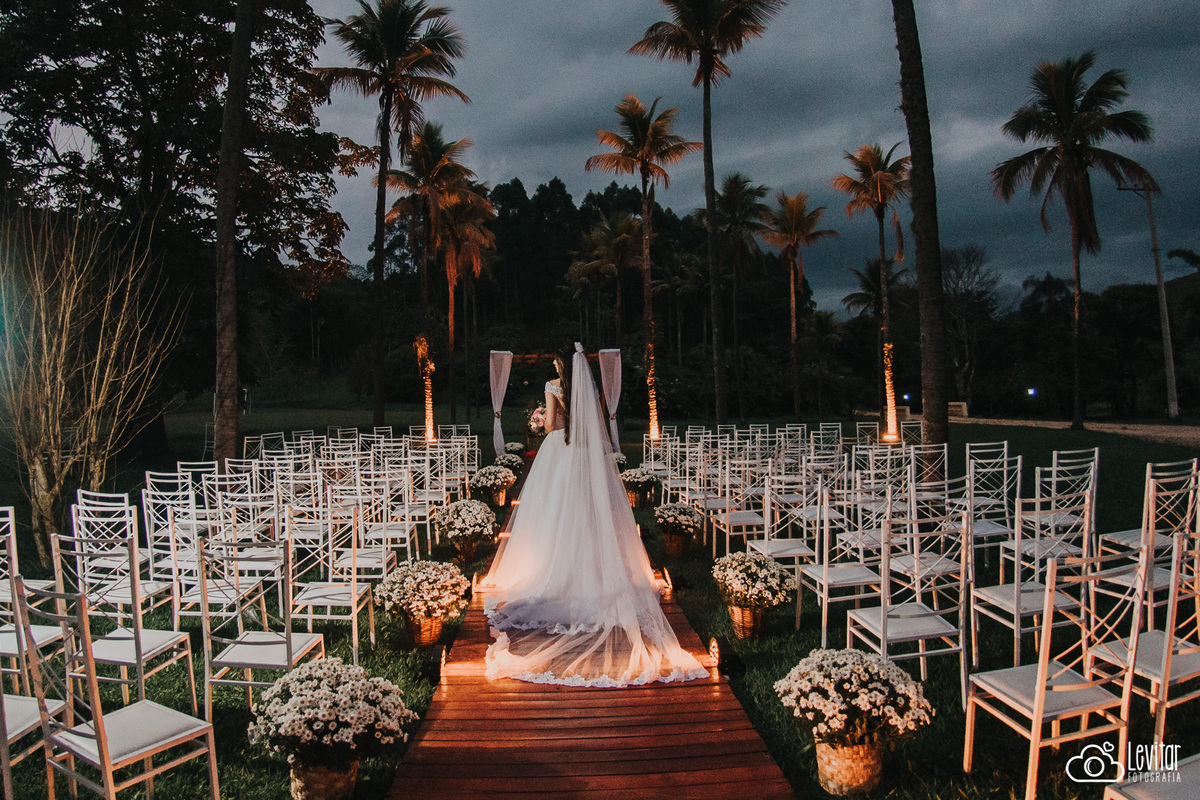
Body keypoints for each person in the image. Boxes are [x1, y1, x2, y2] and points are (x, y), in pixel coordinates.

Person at [482, 343, 708, 687]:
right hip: (586, 454)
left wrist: (541, 420)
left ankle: (558, 570)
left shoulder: (552, 386)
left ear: (559, 363)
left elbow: (551, 428)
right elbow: (591, 424)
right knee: (587, 510)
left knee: (555, 514)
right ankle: (593, 571)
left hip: (559, 451)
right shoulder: (589, 389)